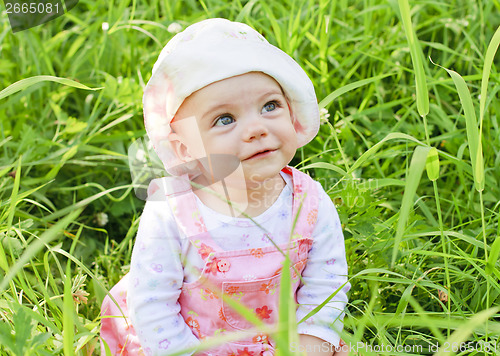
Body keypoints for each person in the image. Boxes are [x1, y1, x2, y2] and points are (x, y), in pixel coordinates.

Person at [100, 18, 350, 356]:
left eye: (270, 106)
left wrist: (308, 346)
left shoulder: (309, 203)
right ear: (186, 150)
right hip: (188, 345)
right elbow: (154, 308)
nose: (256, 128)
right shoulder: (171, 214)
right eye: (225, 119)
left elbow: (326, 286)